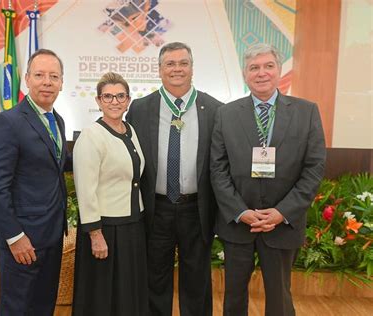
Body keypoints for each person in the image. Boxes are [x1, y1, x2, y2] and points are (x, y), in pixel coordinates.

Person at [210, 43, 326, 316]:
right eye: (254, 68)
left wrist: (281, 212)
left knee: (280, 297)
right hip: (239, 225)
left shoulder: (306, 111)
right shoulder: (226, 114)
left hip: (282, 224)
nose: (261, 73)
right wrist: (240, 211)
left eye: (268, 66)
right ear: (245, 74)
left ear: (278, 71)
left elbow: (314, 168)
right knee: (234, 296)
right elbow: (217, 169)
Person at [126, 42, 224, 316]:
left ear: (192, 68)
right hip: (156, 208)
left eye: (183, 63)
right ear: (159, 70)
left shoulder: (215, 109)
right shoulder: (140, 108)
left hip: (197, 208)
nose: (177, 69)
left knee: (197, 278)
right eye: (170, 64)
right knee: (154, 277)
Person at [0, 48, 71, 316]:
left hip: (52, 235)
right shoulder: (7, 123)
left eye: (54, 76)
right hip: (23, 239)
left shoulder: (57, 120)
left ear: (61, 83)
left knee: (43, 306)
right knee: (17, 308)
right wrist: (14, 236)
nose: (47, 82)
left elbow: (55, 166)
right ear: (26, 80)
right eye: (40, 75)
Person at [72, 72, 148, 316]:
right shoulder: (91, 136)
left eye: (120, 96)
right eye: (108, 96)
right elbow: (85, 189)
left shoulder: (131, 130)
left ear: (128, 100)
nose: (114, 101)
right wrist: (95, 234)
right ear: (98, 101)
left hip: (132, 225)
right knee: (103, 296)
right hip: (105, 230)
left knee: (128, 292)